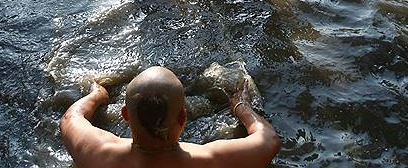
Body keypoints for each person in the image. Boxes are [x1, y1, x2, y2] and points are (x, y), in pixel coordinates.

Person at [60, 66, 280, 167]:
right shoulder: (212, 160)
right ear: (183, 117)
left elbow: (71, 118)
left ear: (125, 114)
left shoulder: (98, 155)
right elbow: (269, 140)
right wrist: (243, 108)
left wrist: (97, 95)